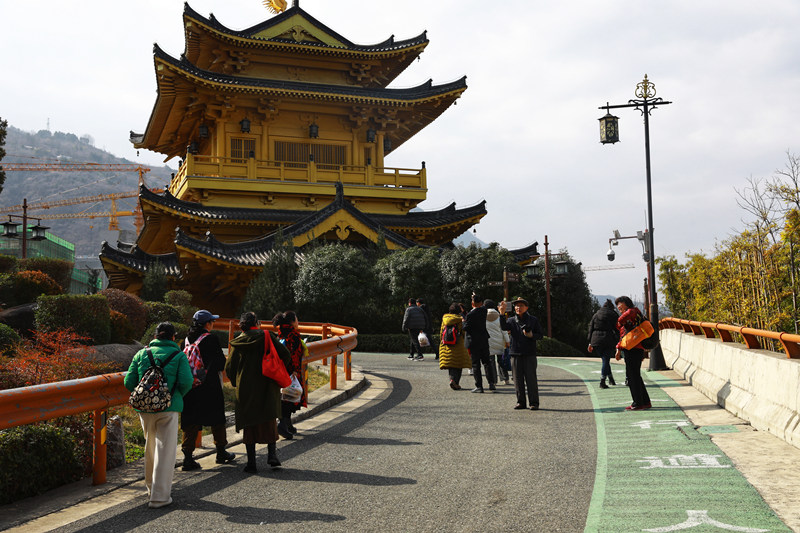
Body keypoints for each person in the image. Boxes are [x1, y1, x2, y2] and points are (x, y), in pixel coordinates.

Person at [124, 322, 193, 508]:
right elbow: (187, 381)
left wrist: (146, 395)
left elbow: (128, 382)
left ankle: (149, 488)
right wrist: (175, 395)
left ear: (155, 336)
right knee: (165, 450)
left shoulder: (141, 354)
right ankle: (159, 496)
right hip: (168, 408)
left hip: (145, 409)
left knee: (150, 446)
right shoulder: (179, 355)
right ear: (173, 337)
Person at [225, 311, 292, 473]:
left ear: (242, 325)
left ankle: (251, 462)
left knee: (249, 423)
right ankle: (272, 455)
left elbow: (229, 368)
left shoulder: (238, 342)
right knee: (269, 419)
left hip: (246, 388)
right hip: (268, 385)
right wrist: (277, 371)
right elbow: (285, 354)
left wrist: (237, 382)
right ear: (257, 323)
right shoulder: (267, 336)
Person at [180, 309, 235, 471]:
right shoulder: (211, 339)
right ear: (207, 324)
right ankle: (220, 452)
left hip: (190, 387)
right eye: (212, 321)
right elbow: (219, 363)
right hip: (209, 386)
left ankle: (188, 458)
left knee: (190, 420)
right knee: (217, 418)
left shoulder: (185, 340)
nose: (213, 324)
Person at [499, 297, 544, 410]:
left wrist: (531, 335)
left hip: (529, 353)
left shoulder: (533, 320)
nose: (518, 307)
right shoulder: (511, 320)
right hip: (515, 352)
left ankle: (534, 403)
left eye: (521, 305)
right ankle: (521, 402)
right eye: (516, 306)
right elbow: (503, 327)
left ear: (526, 307)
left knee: (531, 379)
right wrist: (501, 314)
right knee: (517, 379)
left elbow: (540, 335)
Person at [273, 310, 308, 440]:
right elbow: (292, 354)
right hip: (291, 371)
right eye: (297, 319)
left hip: (280, 371)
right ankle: (282, 425)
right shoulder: (293, 335)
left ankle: (288, 424)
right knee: (289, 397)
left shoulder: (280, 333)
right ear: (292, 321)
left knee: (285, 396)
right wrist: (293, 370)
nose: (298, 322)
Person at [614, 296, 652, 411]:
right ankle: (645, 401)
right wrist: (619, 348)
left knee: (632, 376)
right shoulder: (636, 313)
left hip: (633, 348)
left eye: (620, 305)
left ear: (626, 304)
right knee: (635, 375)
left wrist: (618, 349)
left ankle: (638, 403)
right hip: (636, 347)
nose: (619, 308)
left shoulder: (631, 312)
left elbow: (620, 325)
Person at [587, 300, 620, 390]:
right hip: (608, 339)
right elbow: (618, 329)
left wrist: (590, 342)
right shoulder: (613, 315)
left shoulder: (596, 315)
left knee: (605, 360)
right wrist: (618, 341)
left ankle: (611, 379)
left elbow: (591, 328)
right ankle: (602, 381)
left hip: (596, 340)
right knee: (606, 360)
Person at [438, 303, 471, 390]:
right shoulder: (460, 320)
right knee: (458, 365)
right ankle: (455, 382)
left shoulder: (445, 319)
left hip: (447, 345)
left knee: (451, 364)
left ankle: (452, 380)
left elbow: (441, 333)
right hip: (458, 345)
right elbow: (464, 333)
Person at [463, 293, 492, 392]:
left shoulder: (470, 314)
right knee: (487, 362)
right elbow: (481, 305)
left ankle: (479, 386)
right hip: (483, 339)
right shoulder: (484, 311)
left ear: (472, 303)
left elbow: (465, 327)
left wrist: (463, 321)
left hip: (473, 341)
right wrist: (474, 297)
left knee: (476, 364)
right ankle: (491, 383)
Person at [485, 299, 510, 385]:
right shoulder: (499, 316)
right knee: (501, 361)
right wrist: (507, 341)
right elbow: (504, 330)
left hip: (488, 342)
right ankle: (505, 378)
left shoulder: (483, 316)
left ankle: (494, 381)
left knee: (490, 362)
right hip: (500, 342)